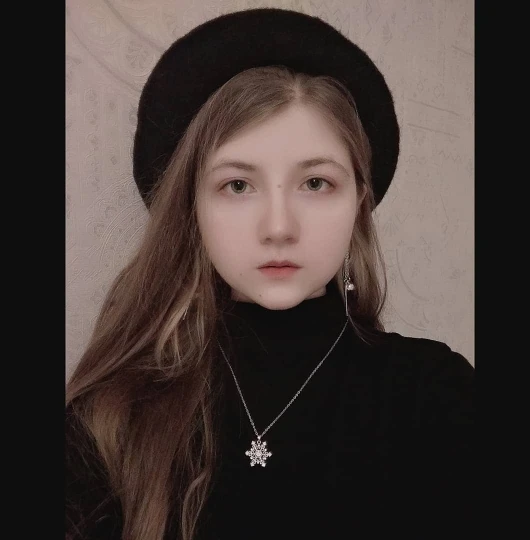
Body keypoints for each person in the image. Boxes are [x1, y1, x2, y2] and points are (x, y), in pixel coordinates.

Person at [65, 8, 474, 540]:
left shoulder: (439, 397)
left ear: (359, 202)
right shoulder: (110, 419)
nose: (278, 227)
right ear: (192, 209)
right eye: (237, 185)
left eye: (316, 183)